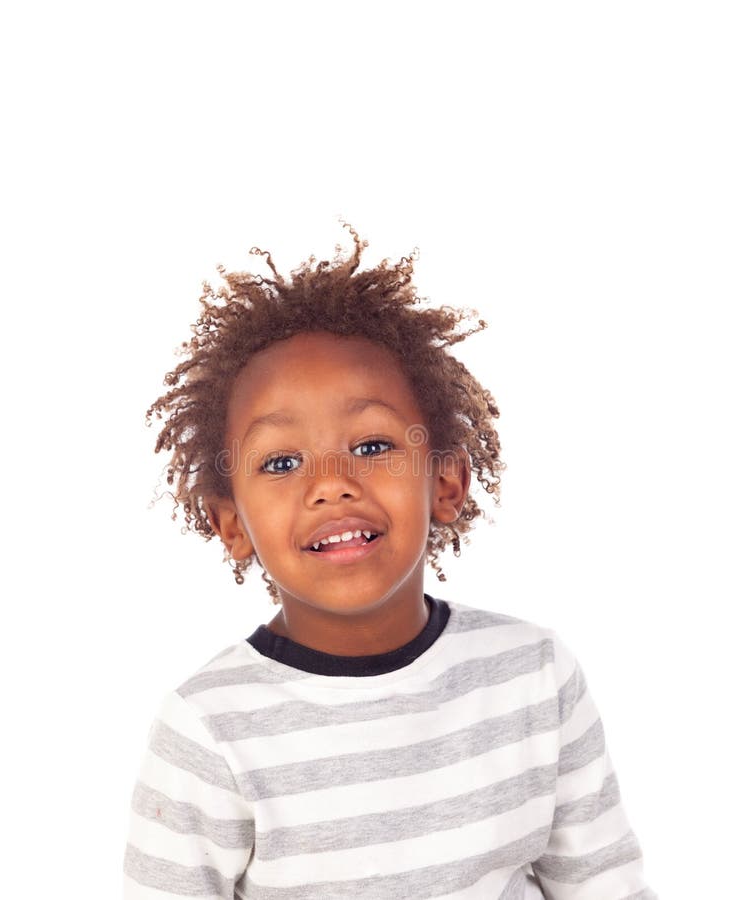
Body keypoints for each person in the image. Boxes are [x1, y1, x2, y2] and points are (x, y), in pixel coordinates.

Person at [123, 225, 656, 899]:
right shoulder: (208, 729)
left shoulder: (534, 677)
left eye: (373, 446)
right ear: (232, 525)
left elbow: (605, 887)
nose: (332, 484)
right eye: (282, 462)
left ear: (445, 482)